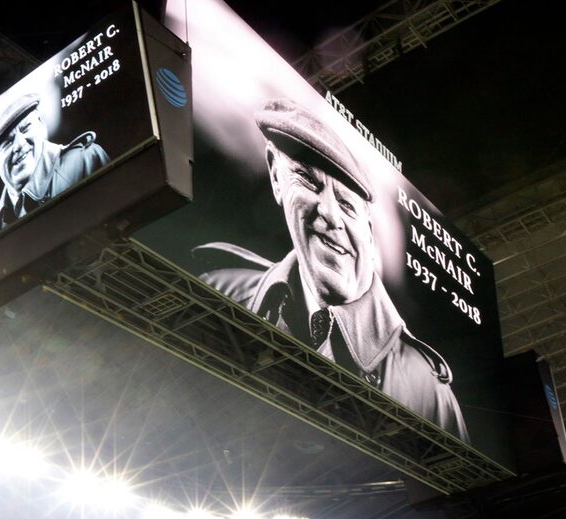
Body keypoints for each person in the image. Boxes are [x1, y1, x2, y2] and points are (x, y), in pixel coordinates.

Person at [194, 98, 469, 440]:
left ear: (369, 229)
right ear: (276, 175)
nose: (330, 216)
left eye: (346, 204)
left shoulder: (423, 385)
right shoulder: (221, 287)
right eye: (308, 181)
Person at [0, 93, 110, 244]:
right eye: (7, 142)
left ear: (42, 125)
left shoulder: (84, 160)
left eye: (26, 128)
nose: (20, 144)